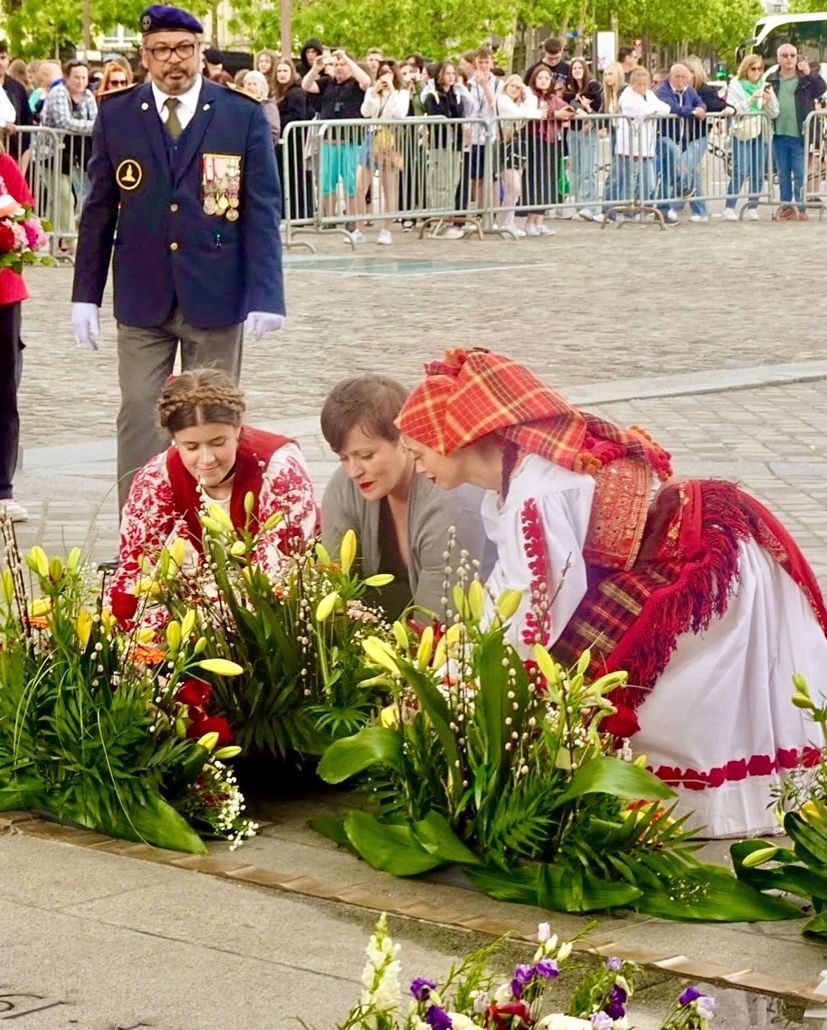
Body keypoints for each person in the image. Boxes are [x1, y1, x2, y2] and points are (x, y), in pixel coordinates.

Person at [397, 348, 827, 839]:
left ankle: (675, 801)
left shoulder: (537, 489)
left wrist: (478, 668)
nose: (418, 466)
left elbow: (543, 600)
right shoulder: (517, 480)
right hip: (668, 552)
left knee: (666, 691)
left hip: (704, 561)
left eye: (419, 452)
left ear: (456, 438)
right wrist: (470, 643)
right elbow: (518, 585)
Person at [71, 4, 285, 511]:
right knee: (139, 411)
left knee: (212, 417)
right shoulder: (118, 113)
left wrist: (267, 295)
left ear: (201, 51)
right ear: (144, 56)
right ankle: (140, 532)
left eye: (184, 49)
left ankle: (218, 528)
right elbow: (99, 209)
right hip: (143, 293)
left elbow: (261, 210)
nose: (174, 62)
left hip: (216, 291)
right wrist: (85, 296)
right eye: (161, 50)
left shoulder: (240, 113)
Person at [112, 368, 317, 598]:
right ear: (174, 440)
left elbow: (281, 574)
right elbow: (135, 571)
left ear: (238, 428)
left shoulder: (278, 470)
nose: (207, 459)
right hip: (202, 601)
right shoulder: (157, 479)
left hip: (276, 600)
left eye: (218, 442)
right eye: (191, 447)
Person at [320, 374, 491, 621]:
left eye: (366, 455)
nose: (353, 471)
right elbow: (333, 585)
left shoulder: (447, 501)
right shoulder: (345, 485)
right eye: (343, 458)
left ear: (404, 438)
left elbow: (439, 621)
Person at [0, 148, 36, 523]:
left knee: (3, 391)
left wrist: (13, 235)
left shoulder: (4, 165)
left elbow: (26, 223)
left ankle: (1, 489)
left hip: (2, 293)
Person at [301, 48, 370, 229]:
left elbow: (366, 81)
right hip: (328, 143)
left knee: (351, 184)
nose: (339, 67)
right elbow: (306, 85)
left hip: (350, 142)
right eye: (336, 64)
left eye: (342, 64)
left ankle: (352, 220)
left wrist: (346, 56)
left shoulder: (356, 85)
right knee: (326, 183)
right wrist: (316, 68)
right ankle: (329, 218)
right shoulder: (326, 83)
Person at [766, 44, 827, 220]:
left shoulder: (805, 79)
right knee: (783, 173)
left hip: (800, 134)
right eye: (784, 55)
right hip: (778, 133)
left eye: (792, 55)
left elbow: (821, 88)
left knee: (800, 173)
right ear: (778, 59)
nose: (789, 58)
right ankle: (786, 206)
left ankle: (801, 208)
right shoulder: (772, 79)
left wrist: (809, 73)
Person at [41, 60, 98, 243]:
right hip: (48, 153)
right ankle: (72, 242)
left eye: (84, 77)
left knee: (56, 199)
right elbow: (64, 122)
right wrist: (90, 127)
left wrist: (90, 126)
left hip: (72, 154)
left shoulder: (88, 95)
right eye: (76, 77)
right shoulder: (58, 93)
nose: (80, 82)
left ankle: (45, 240)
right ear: (66, 77)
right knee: (65, 196)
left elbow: (97, 120)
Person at [358, 59, 410, 245]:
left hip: (390, 137)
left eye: (388, 73)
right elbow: (365, 111)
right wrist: (373, 92)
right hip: (372, 135)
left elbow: (400, 113)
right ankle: (359, 228)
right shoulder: (373, 92)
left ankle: (387, 229)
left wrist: (393, 91)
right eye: (381, 73)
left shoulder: (402, 93)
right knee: (360, 186)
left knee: (389, 187)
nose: (384, 76)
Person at [724, 54, 778, 220]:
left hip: (761, 130)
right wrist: (750, 99)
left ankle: (752, 206)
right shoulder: (735, 85)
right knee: (740, 169)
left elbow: (775, 112)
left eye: (760, 69)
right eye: (753, 68)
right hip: (743, 130)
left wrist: (769, 101)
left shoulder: (766, 85)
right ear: (746, 69)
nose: (757, 72)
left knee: (758, 171)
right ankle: (729, 206)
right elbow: (734, 109)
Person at [523, 64, 572, 235]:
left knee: (548, 181)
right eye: (540, 78)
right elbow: (536, 113)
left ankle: (539, 220)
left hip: (552, 141)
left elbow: (566, 107)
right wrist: (555, 114)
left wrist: (571, 111)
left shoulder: (553, 98)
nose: (544, 81)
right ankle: (530, 221)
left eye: (547, 78)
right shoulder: (530, 96)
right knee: (536, 181)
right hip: (535, 140)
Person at [421, 61, 469, 238]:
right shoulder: (431, 96)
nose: (451, 77)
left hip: (454, 145)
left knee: (452, 182)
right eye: (447, 73)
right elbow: (438, 116)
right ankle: (437, 220)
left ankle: (447, 219)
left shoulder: (455, 96)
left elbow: (459, 115)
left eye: (453, 73)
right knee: (439, 183)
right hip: (440, 144)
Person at [653, 63, 706, 225]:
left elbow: (700, 102)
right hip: (664, 137)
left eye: (684, 77)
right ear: (670, 76)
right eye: (677, 76)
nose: (680, 80)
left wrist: (701, 108)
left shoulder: (689, 90)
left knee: (681, 171)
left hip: (684, 138)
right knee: (677, 161)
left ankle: (699, 210)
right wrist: (693, 111)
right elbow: (672, 108)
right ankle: (681, 188)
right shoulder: (662, 91)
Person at [615, 67, 669, 212]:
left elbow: (665, 108)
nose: (642, 88)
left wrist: (653, 110)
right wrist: (653, 110)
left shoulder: (650, 95)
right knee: (629, 183)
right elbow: (642, 110)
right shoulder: (627, 96)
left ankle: (638, 209)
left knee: (648, 184)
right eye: (639, 84)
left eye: (645, 84)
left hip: (646, 148)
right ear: (632, 84)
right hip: (629, 148)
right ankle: (627, 212)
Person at [495, 74, 539, 235]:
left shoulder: (520, 102)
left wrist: (526, 90)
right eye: (512, 86)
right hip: (504, 146)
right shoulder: (503, 100)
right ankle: (503, 223)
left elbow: (532, 108)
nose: (515, 89)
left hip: (517, 147)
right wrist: (531, 112)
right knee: (513, 186)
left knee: (514, 189)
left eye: (518, 87)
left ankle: (508, 221)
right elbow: (523, 114)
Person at [562, 58, 601, 220]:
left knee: (587, 169)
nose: (577, 70)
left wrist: (589, 116)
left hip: (587, 130)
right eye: (574, 68)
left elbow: (600, 109)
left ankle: (589, 205)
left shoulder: (593, 86)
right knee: (575, 169)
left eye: (580, 68)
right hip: (573, 130)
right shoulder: (569, 90)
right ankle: (579, 204)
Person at [274, 58, 312, 221]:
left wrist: (277, 120)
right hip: (285, 141)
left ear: (291, 73)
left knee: (296, 178)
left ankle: (299, 213)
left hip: (294, 142)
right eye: (279, 71)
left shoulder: (295, 92)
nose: (282, 74)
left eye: (285, 71)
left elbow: (298, 116)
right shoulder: (278, 92)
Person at [0, 42, 34, 171]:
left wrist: (23, 156)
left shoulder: (17, 87)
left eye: (3, 58)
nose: (0, 63)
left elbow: (27, 120)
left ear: (8, 58)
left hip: (14, 153)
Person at [243, 69, 281, 147]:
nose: (251, 87)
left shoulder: (269, 106)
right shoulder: (241, 104)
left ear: (262, 87)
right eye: (248, 84)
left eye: (254, 84)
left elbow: (273, 132)